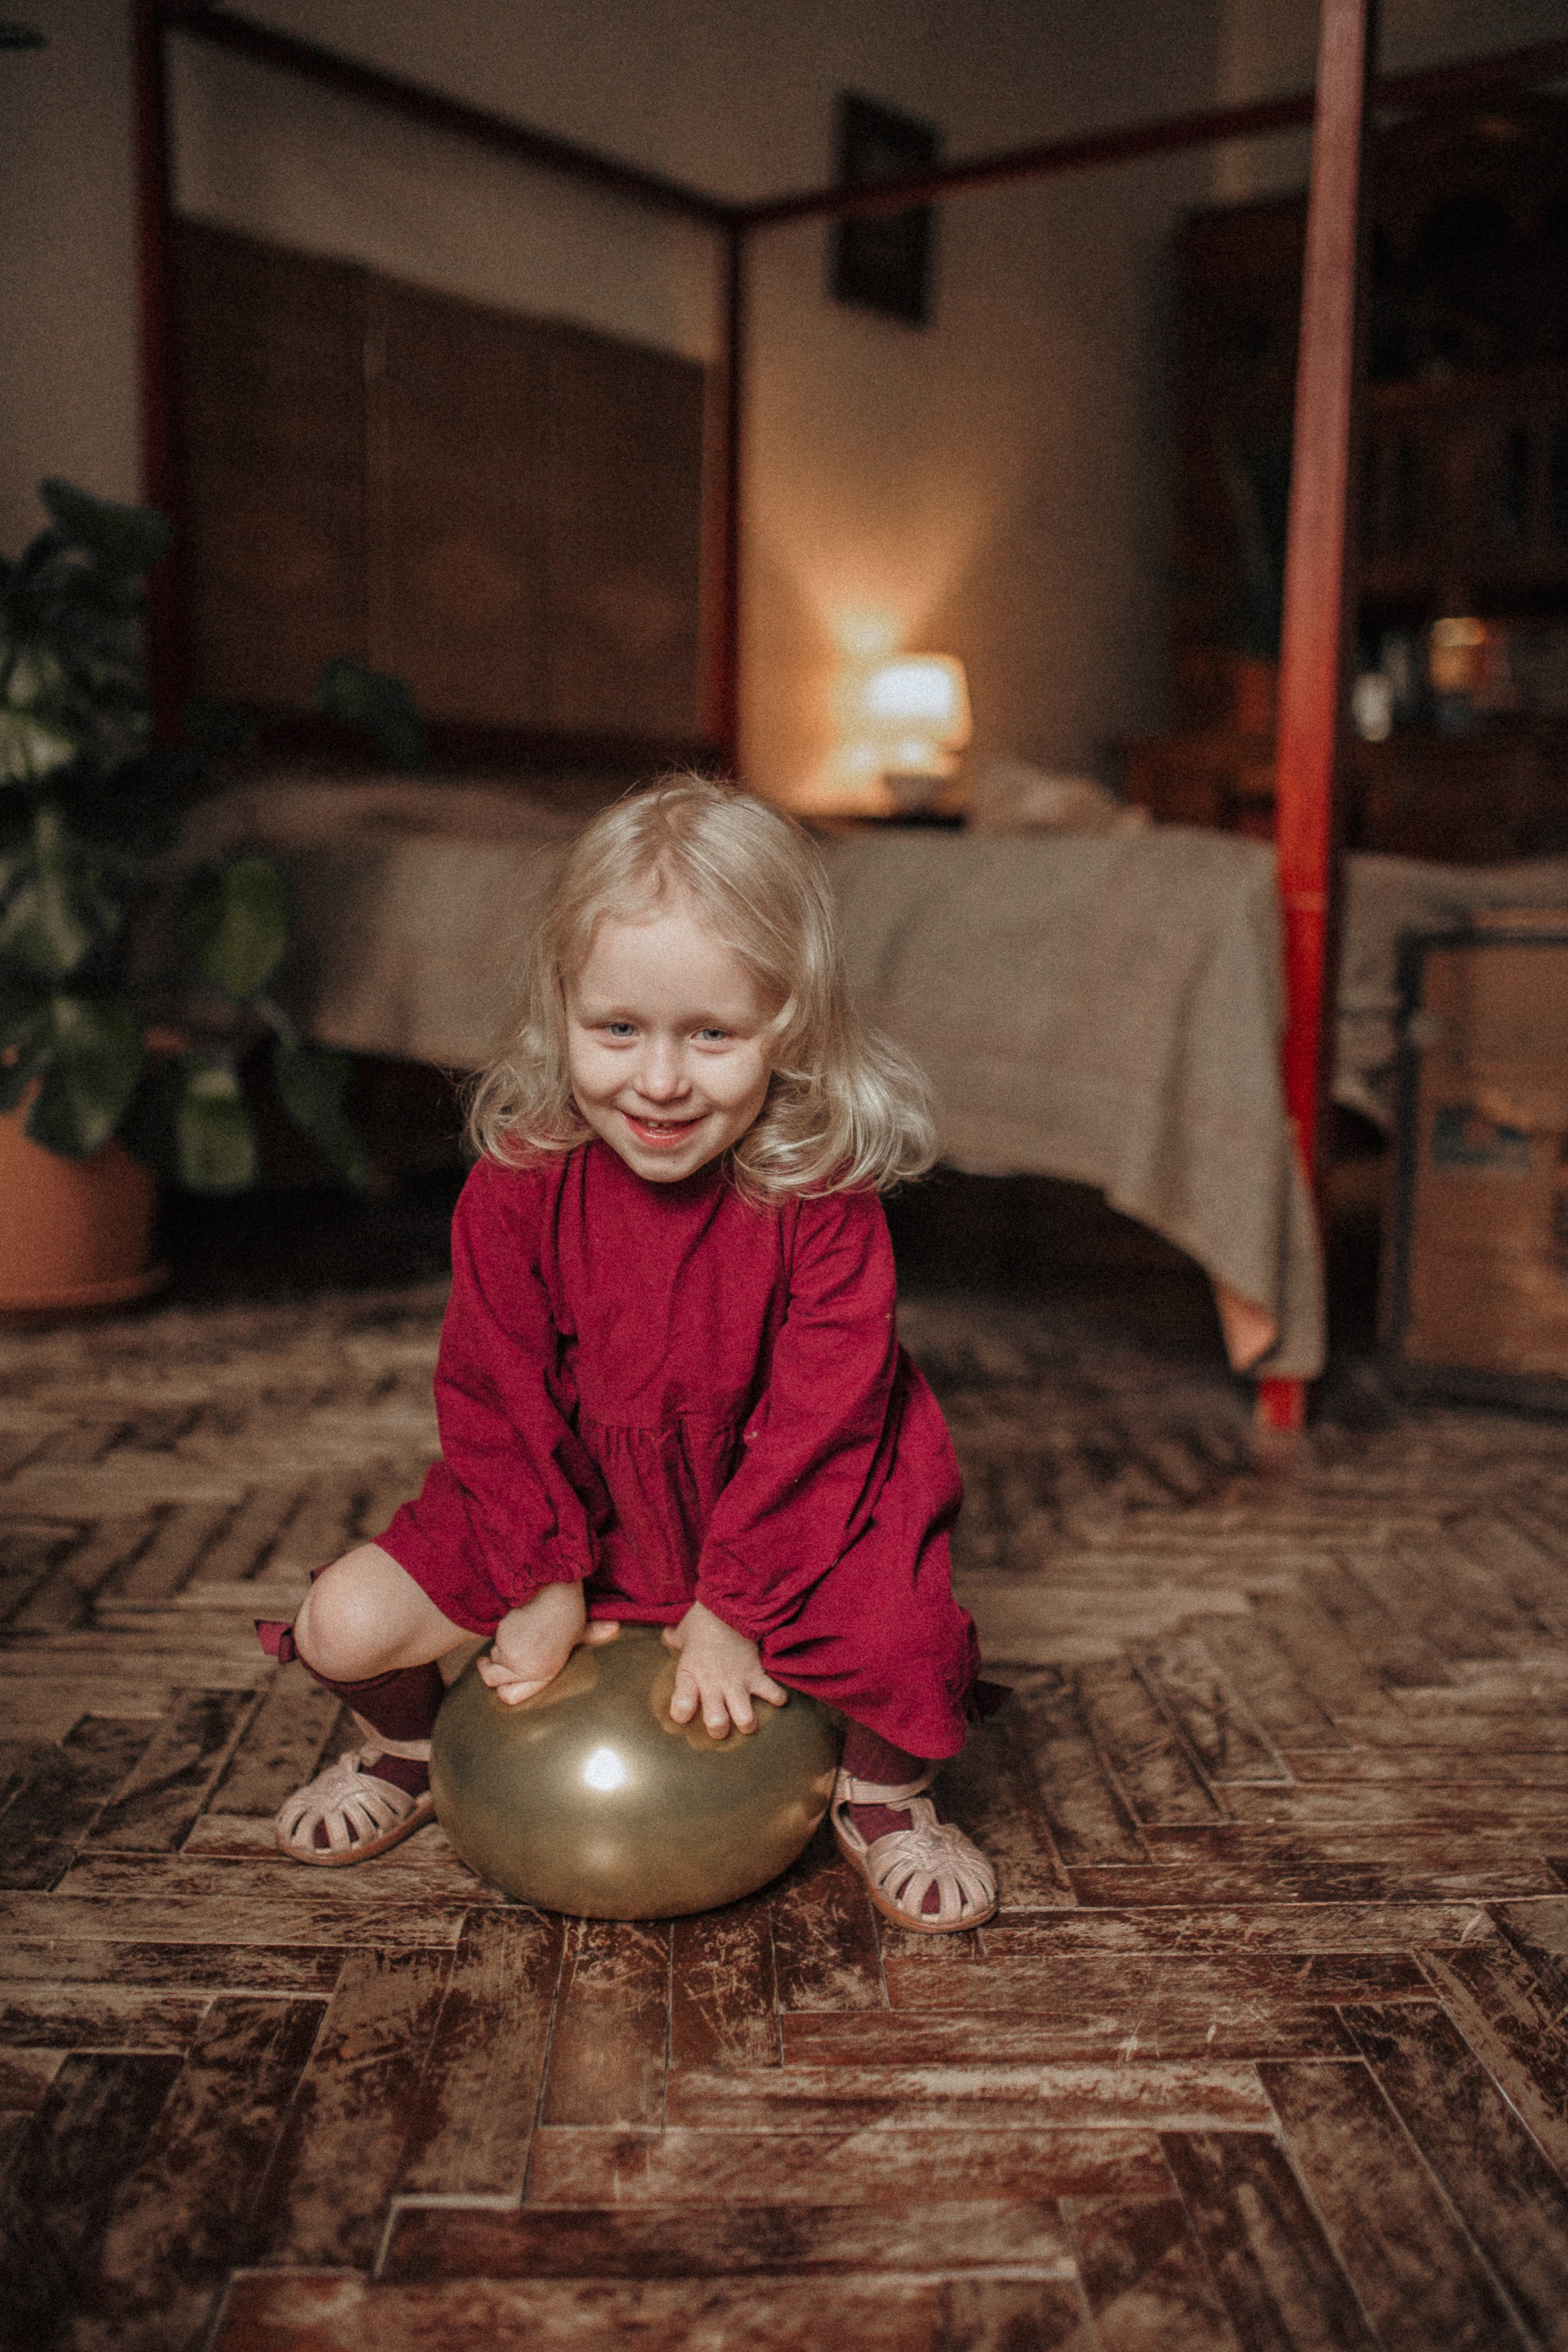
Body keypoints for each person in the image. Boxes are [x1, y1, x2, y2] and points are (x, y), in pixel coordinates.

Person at [260, 778, 997, 1932]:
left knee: (907, 1637)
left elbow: (829, 1422)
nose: (659, 1081)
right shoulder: (517, 1185)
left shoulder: (822, 1199)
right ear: (560, 1011)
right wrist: (544, 1575)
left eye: (712, 1035)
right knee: (342, 1625)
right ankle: (407, 1746)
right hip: (571, 1503)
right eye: (618, 1030)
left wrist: (737, 1604)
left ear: (788, 1026)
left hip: (782, 1509)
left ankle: (884, 1791)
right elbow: (494, 1397)